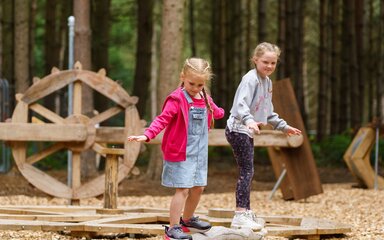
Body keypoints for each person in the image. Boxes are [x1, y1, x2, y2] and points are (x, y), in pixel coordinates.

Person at [127, 57, 225, 240]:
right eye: (192, 83)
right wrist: (147, 134)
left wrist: (223, 112)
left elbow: (216, 111)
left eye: (200, 84)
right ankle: (173, 228)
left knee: (199, 188)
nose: (195, 88)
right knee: (183, 190)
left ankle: (187, 219)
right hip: (181, 152)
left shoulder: (204, 97)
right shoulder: (176, 99)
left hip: (199, 153)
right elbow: (162, 119)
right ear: (183, 77)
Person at [225, 42, 302, 230]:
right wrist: (249, 120)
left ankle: (246, 211)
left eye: (273, 63)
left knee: (249, 170)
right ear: (255, 60)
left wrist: (284, 127)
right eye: (265, 62)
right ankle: (240, 214)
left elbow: (268, 112)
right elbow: (240, 105)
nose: (269, 66)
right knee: (247, 171)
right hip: (238, 129)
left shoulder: (267, 82)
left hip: (247, 130)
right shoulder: (250, 79)